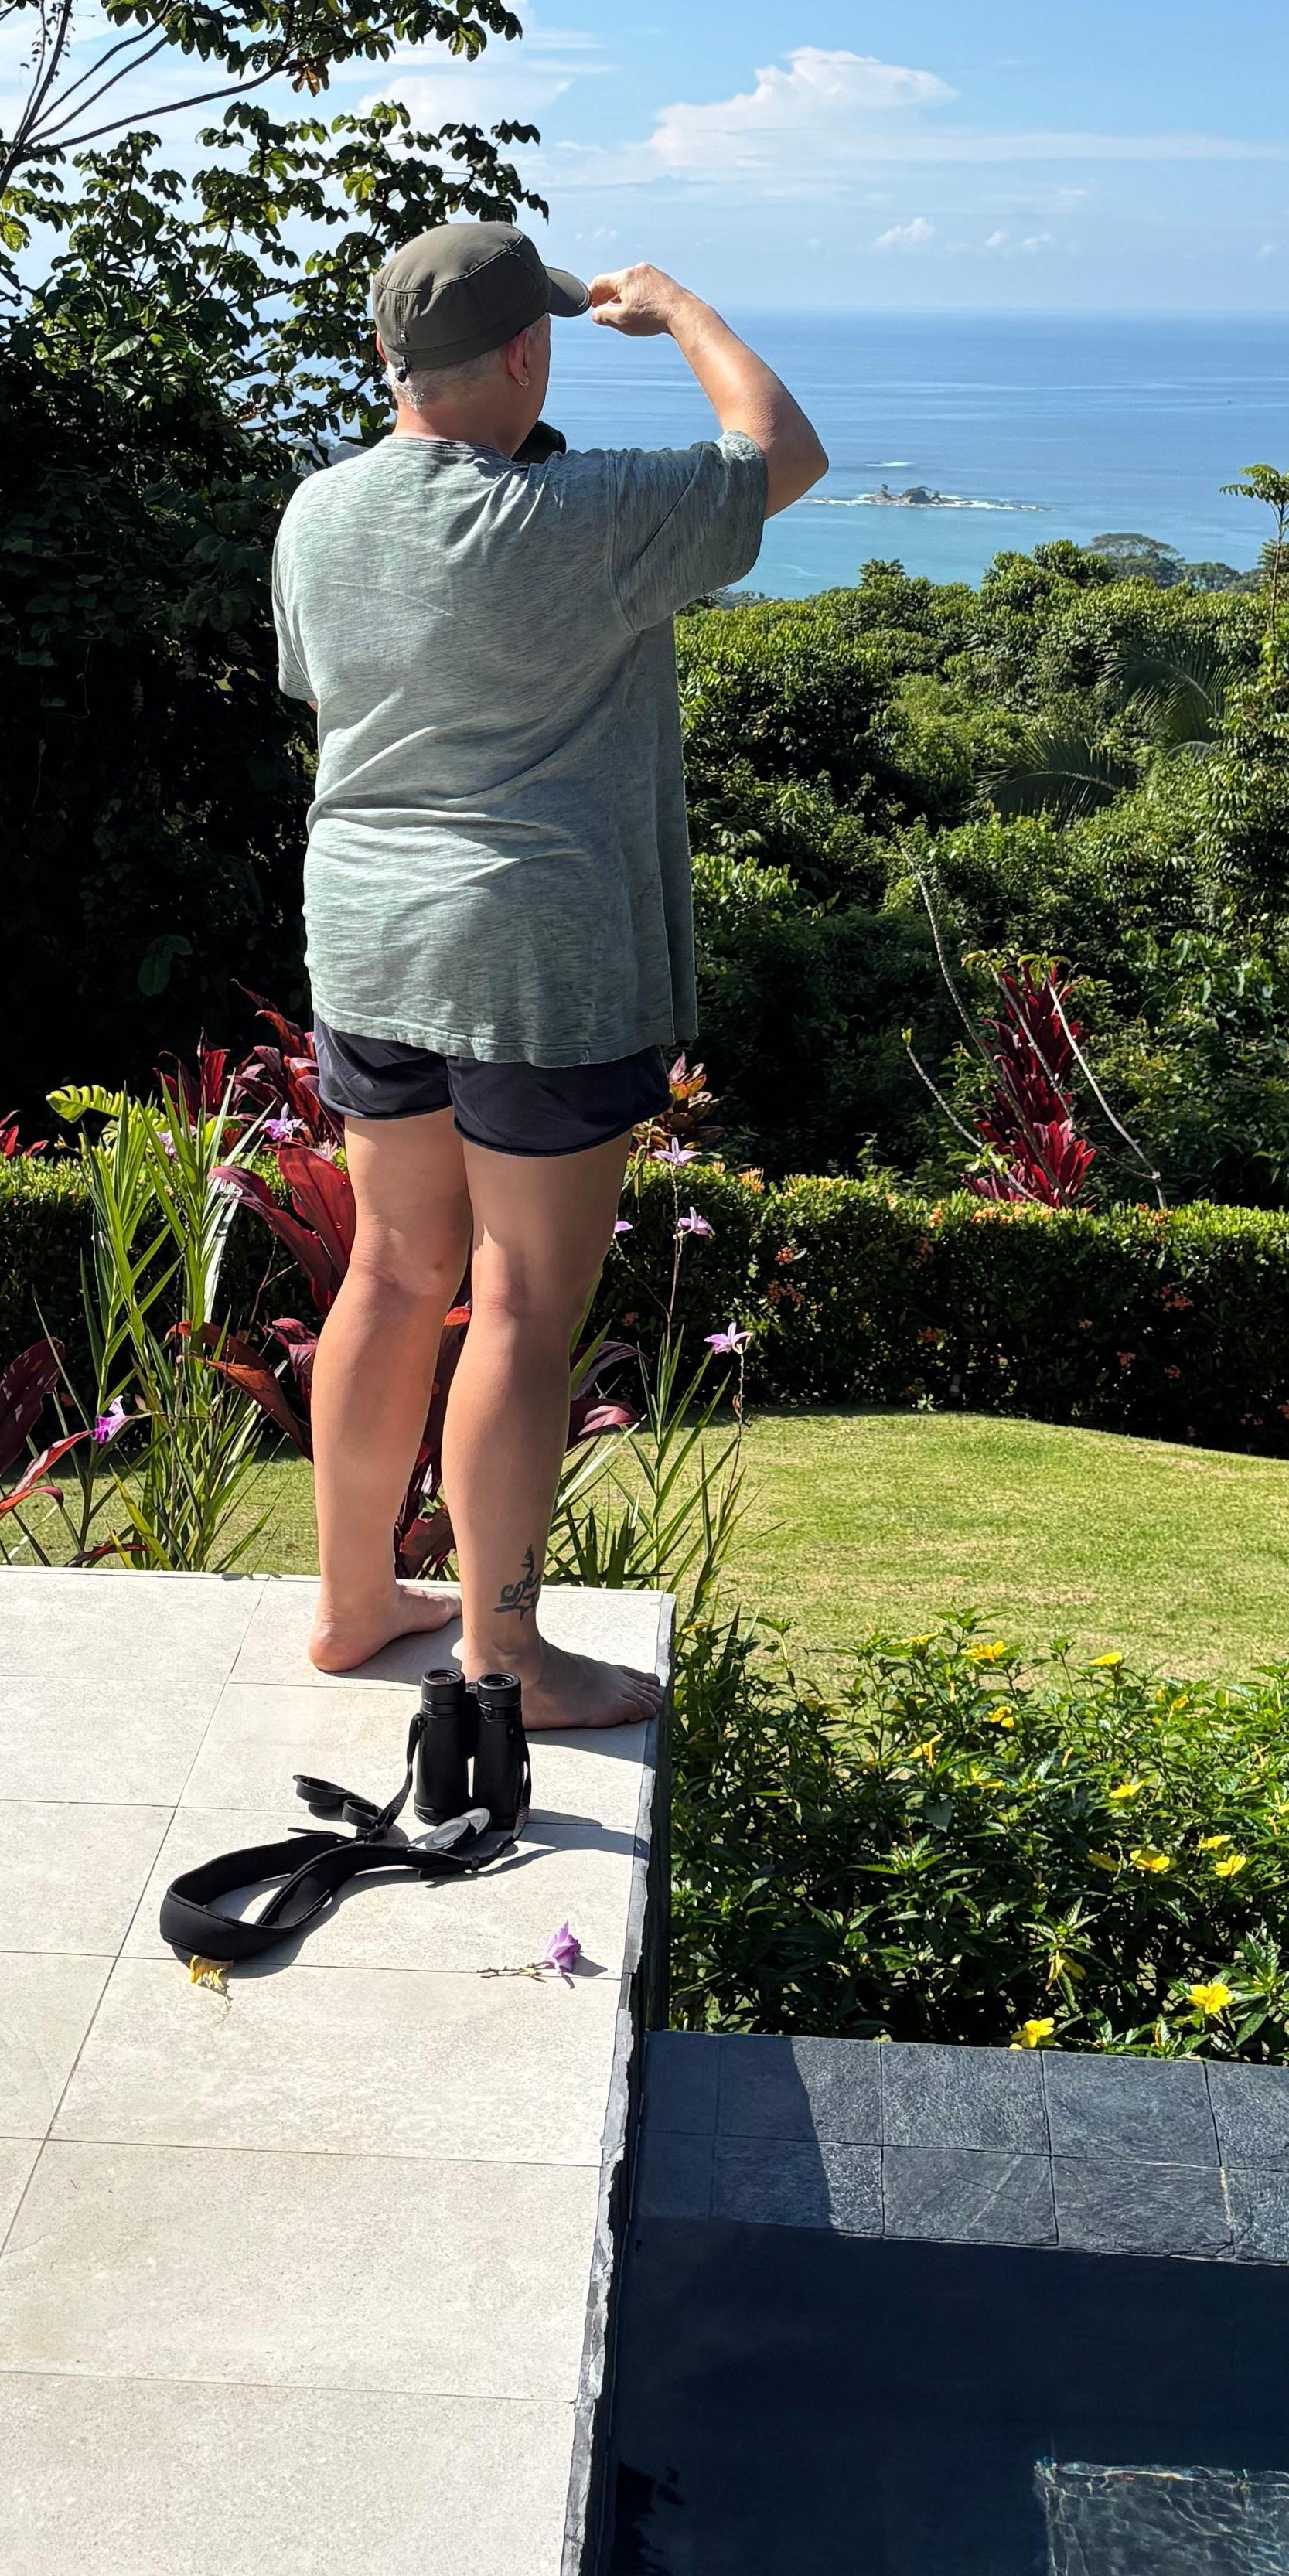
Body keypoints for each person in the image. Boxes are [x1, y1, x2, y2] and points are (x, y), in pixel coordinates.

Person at [270, 220, 827, 1728]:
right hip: (536, 956)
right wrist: (679, 305)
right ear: (529, 352)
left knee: (392, 1273)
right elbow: (780, 453)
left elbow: (325, 690)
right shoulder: (566, 519)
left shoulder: (316, 515)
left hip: (366, 937)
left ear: (395, 361)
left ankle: (351, 1604)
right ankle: (506, 1653)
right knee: (521, 1296)